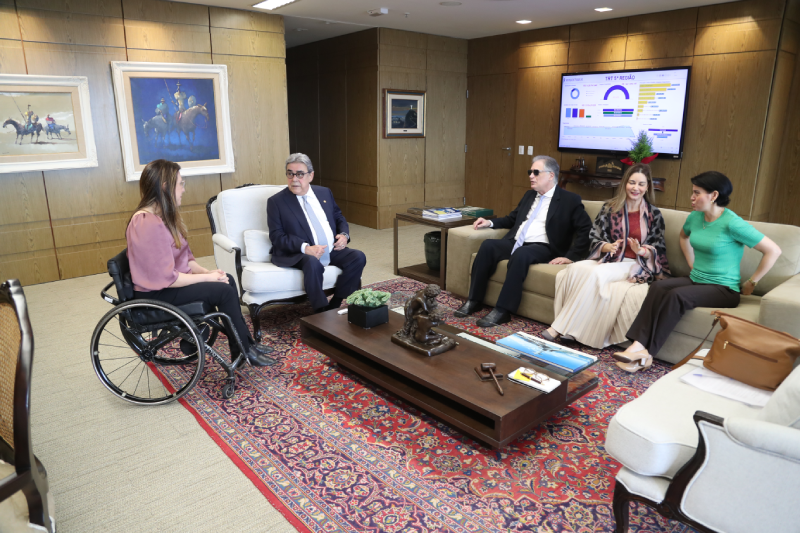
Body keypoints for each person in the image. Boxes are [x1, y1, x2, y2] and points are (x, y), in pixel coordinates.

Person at [614, 171, 782, 371]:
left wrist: (752, 282)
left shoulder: (732, 223)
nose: (692, 198)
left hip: (724, 289)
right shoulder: (695, 217)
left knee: (676, 296)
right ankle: (638, 346)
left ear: (714, 195)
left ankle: (646, 352)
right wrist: (692, 263)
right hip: (697, 279)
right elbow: (684, 237)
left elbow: (773, 250)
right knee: (658, 287)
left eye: (697, 193)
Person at [126, 159, 275, 367]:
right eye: (181, 184)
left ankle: (245, 345)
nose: (183, 190)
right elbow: (167, 277)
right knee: (222, 291)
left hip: (166, 286)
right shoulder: (146, 223)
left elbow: (185, 258)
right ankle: (244, 350)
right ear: (165, 187)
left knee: (227, 280)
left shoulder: (161, 218)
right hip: (156, 293)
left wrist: (208, 272)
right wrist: (207, 278)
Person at [454, 155, 593, 327]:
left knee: (521, 254)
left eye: (536, 172)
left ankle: (503, 310)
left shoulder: (569, 200)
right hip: (517, 241)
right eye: (530, 172)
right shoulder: (529, 195)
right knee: (488, 246)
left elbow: (585, 229)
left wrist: (571, 256)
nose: (531, 176)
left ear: (551, 175)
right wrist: (489, 222)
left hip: (544, 247)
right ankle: (474, 300)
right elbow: (512, 219)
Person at [542, 163, 670, 349]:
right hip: (609, 259)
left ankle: (558, 328)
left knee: (597, 274)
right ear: (625, 183)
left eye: (641, 184)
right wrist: (606, 246)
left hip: (633, 264)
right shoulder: (610, 208)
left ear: (647, 187)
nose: (636, 188)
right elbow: (594, 236)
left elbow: (659, 247)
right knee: (574, 269)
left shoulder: (653, 215)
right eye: (632, 182)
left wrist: (641, 251)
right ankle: (572, 331)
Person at [267, 153, 367, 313]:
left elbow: (338, 216)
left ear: (310, 175)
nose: (294, 179)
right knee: (311, 262)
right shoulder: (276, 202)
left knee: (358, 257)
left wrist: (343, 235)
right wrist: (305, 248)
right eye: (290, 173)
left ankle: (335, 302)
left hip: (330, 248)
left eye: (300, 174)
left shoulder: (324, 193)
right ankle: (321, 311)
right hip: (298, 253)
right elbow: (276, 236)